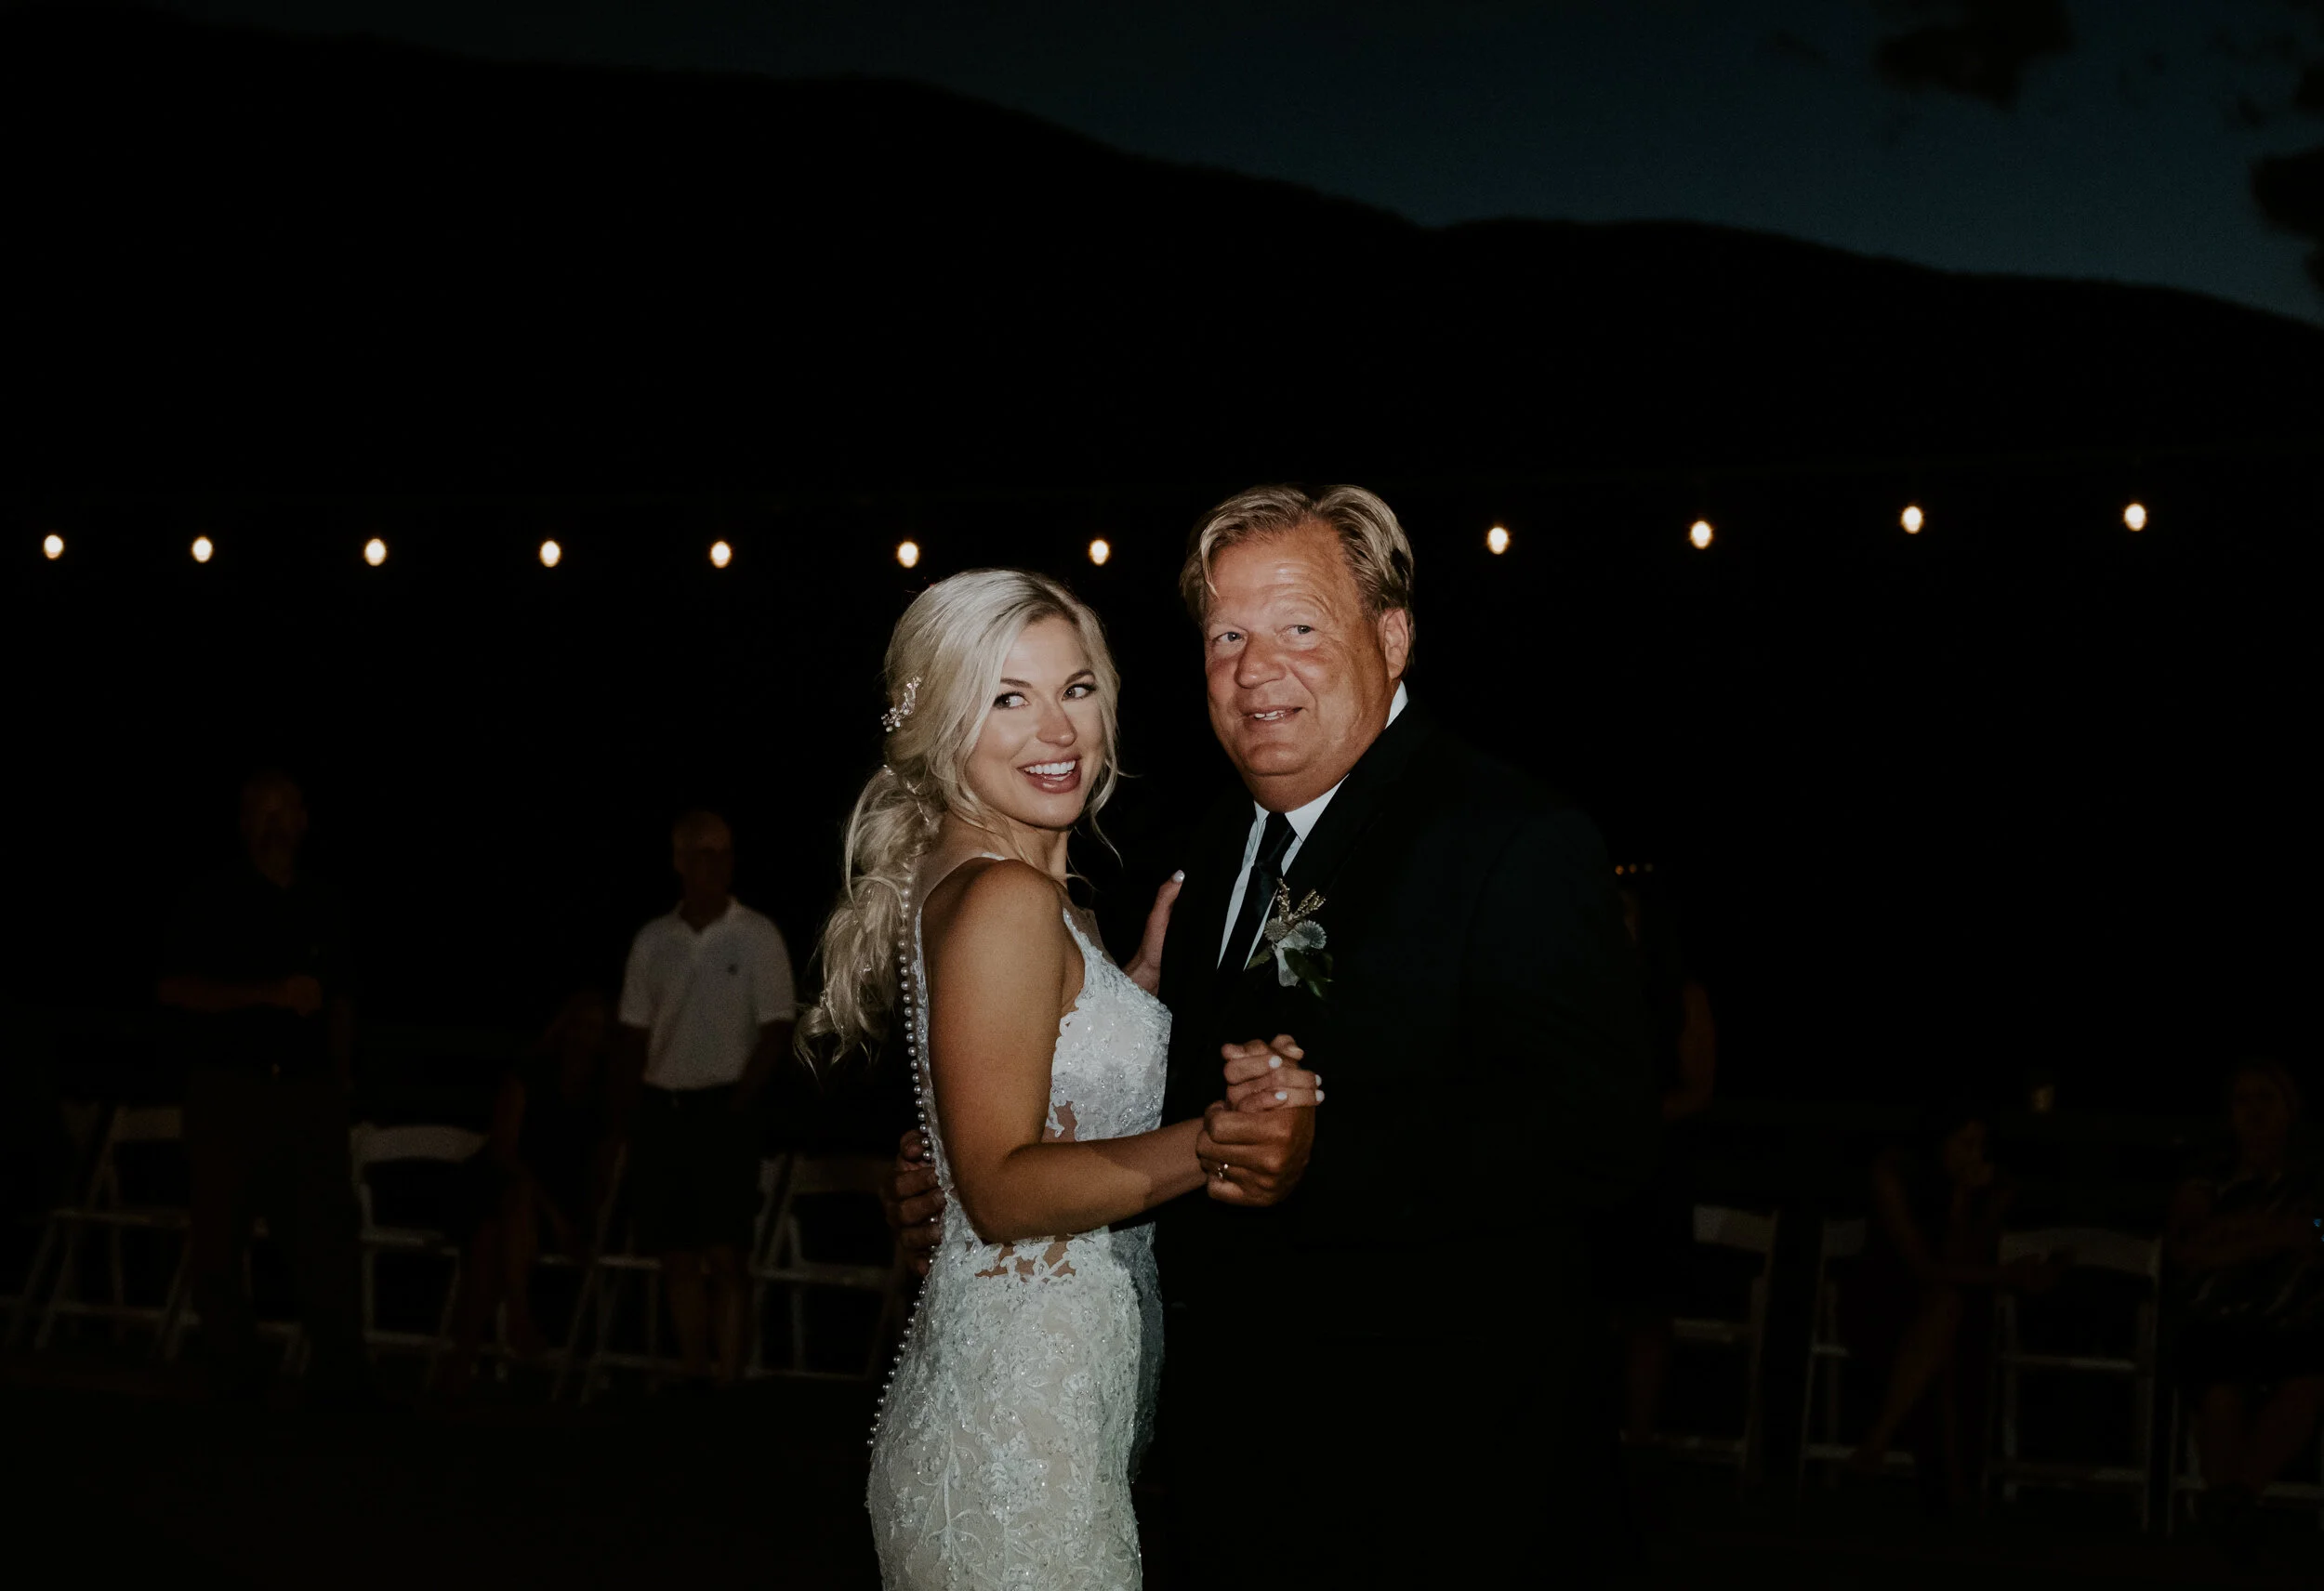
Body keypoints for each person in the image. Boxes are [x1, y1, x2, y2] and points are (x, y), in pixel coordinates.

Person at [886, 486, 1658, 1584]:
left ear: (1390, 637)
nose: (1257, 668)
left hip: (1438, 1476)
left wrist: (1325, 1151)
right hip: (1227, 1466)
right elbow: (1146, 1095)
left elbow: (1603, 1131)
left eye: (1299, 625)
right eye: (1226, 636)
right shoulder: (1210, 844)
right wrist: (970, 1161)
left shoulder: (1507, 838)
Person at [814, 569, 1318, 1590]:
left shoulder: (1010, 888)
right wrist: (1227, 1131)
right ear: (944, 720)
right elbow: (999, 1188)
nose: (1056, 730)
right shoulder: (1004, 894)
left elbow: (1028, 1071)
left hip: (1029, 1407)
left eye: (1076, 688)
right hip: (1018, 1435)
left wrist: (1125, 992)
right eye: (1008, 696)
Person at [157, 769, 372, 1405]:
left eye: (286, 812)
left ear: (304, 822)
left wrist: (340, 1076)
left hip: (306, 1091)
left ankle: (341, 1371)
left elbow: (341, 998)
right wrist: (265, 995)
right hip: (229, 1088)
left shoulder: (324, 903)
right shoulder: (209, 899)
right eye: (262, 813)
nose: (275, 824)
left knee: (322, 1231)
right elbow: (172, 988)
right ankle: (237, 1367)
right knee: (220, 1233)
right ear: (244, 824)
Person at [610, 810, 796, 1388]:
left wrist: (739, 1102)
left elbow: (776, 1028)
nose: (713, 865)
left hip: (725, 1109)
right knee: (677, 1253)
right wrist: (627, 1116)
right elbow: (634, 1032)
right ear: (679, 862)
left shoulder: (757, 934)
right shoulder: (654, 939)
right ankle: (692, 1374)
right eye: (701, 854)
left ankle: (729, 1381)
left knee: (726, 1253)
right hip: (664, 1107)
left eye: (722, 853)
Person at [1844, 1102, 2061, 1508]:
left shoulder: (1989, 1184)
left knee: (1950, 1314)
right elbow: (1923, 1266)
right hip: (1882, 1297)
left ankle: (1884, 1445)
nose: (1974, 1154)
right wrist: (2009, 1277)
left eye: (1981, 1144)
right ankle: (1940, 1475)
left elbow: (1964, 1260)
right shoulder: (1894, 1172)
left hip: (1951, 1303)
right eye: (1965, 1143)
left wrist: (1964, 1198)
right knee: (1946, 1312)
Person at [1589, 867, 1717, 1493]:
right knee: (1587, 1304)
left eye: (1625, 912)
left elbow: (1700, 1090)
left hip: (1654, 1168)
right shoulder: (1581, 987)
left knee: (1647, 1309)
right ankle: (1586, 1437)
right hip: (1589, 1167)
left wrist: (1638, 1113)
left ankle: (1639, 1438)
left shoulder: (1682, 997)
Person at [2165, 1059, 2324, 1560]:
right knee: (2219, 1384)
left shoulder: (2310, 1176)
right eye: (2243, 1100)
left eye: (2265, 1098)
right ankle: (2229, 1514)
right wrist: (2264, 1238)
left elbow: (2313, 1236)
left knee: (2308, 1380)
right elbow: (2187, 1246)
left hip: (2294, 1315)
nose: (2254, 1111)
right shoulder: (2207, 1177)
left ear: (2289, 1109)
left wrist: (2240, 1234)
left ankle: (2228, 1503)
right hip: (2219, 1313)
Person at [437, 989, 614, 1396]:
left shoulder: (602, 1094)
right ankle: (518, 1313)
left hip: (541, 1204)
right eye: (581, 1025)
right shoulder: (530, 1074)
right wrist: (552, 1213)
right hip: (499, 1181)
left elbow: (600, 1172)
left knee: (489, 1240)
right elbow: (504, 1149)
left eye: (597, 1029)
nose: (587, 1036)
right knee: (514, 1199)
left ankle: (462, 1361)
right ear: (565, 1027)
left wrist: (585, 1222)